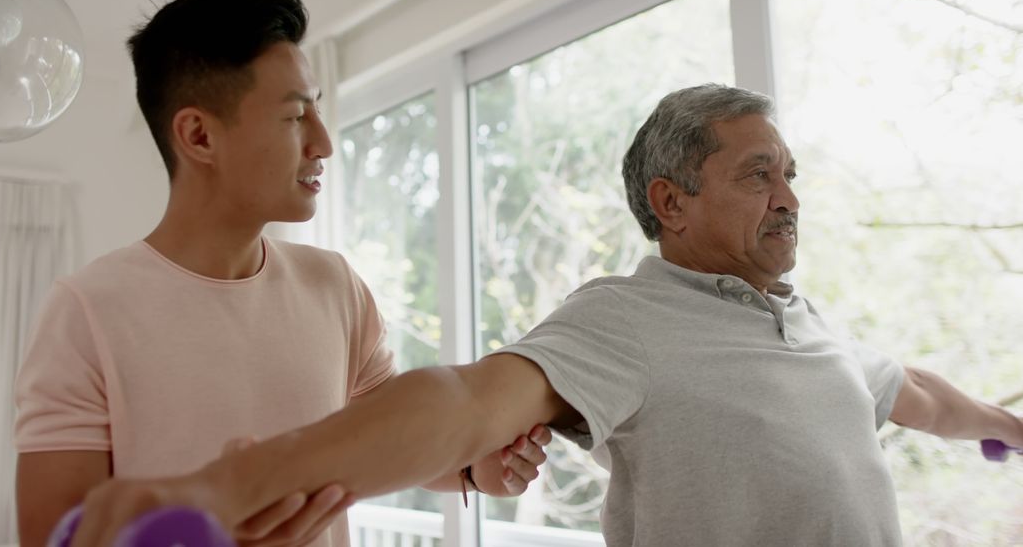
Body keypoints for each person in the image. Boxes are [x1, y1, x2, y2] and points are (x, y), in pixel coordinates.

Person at [69, 84, 1023, 547]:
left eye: (790, 175)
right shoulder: (629, 319)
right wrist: (224, 487)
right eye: (757, 175)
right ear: (672, 202)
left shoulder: (804, 323)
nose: (789, 196)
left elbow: (915, 395)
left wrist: (1005, 426)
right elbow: (467, 401)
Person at [13, 0, 551, 547]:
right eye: (296, 115)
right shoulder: (86, 310)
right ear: (199, 136)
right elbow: (55, 538)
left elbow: (382, 440)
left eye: (318, 109)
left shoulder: (335, 285)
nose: (323, 142)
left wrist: (471, 469)